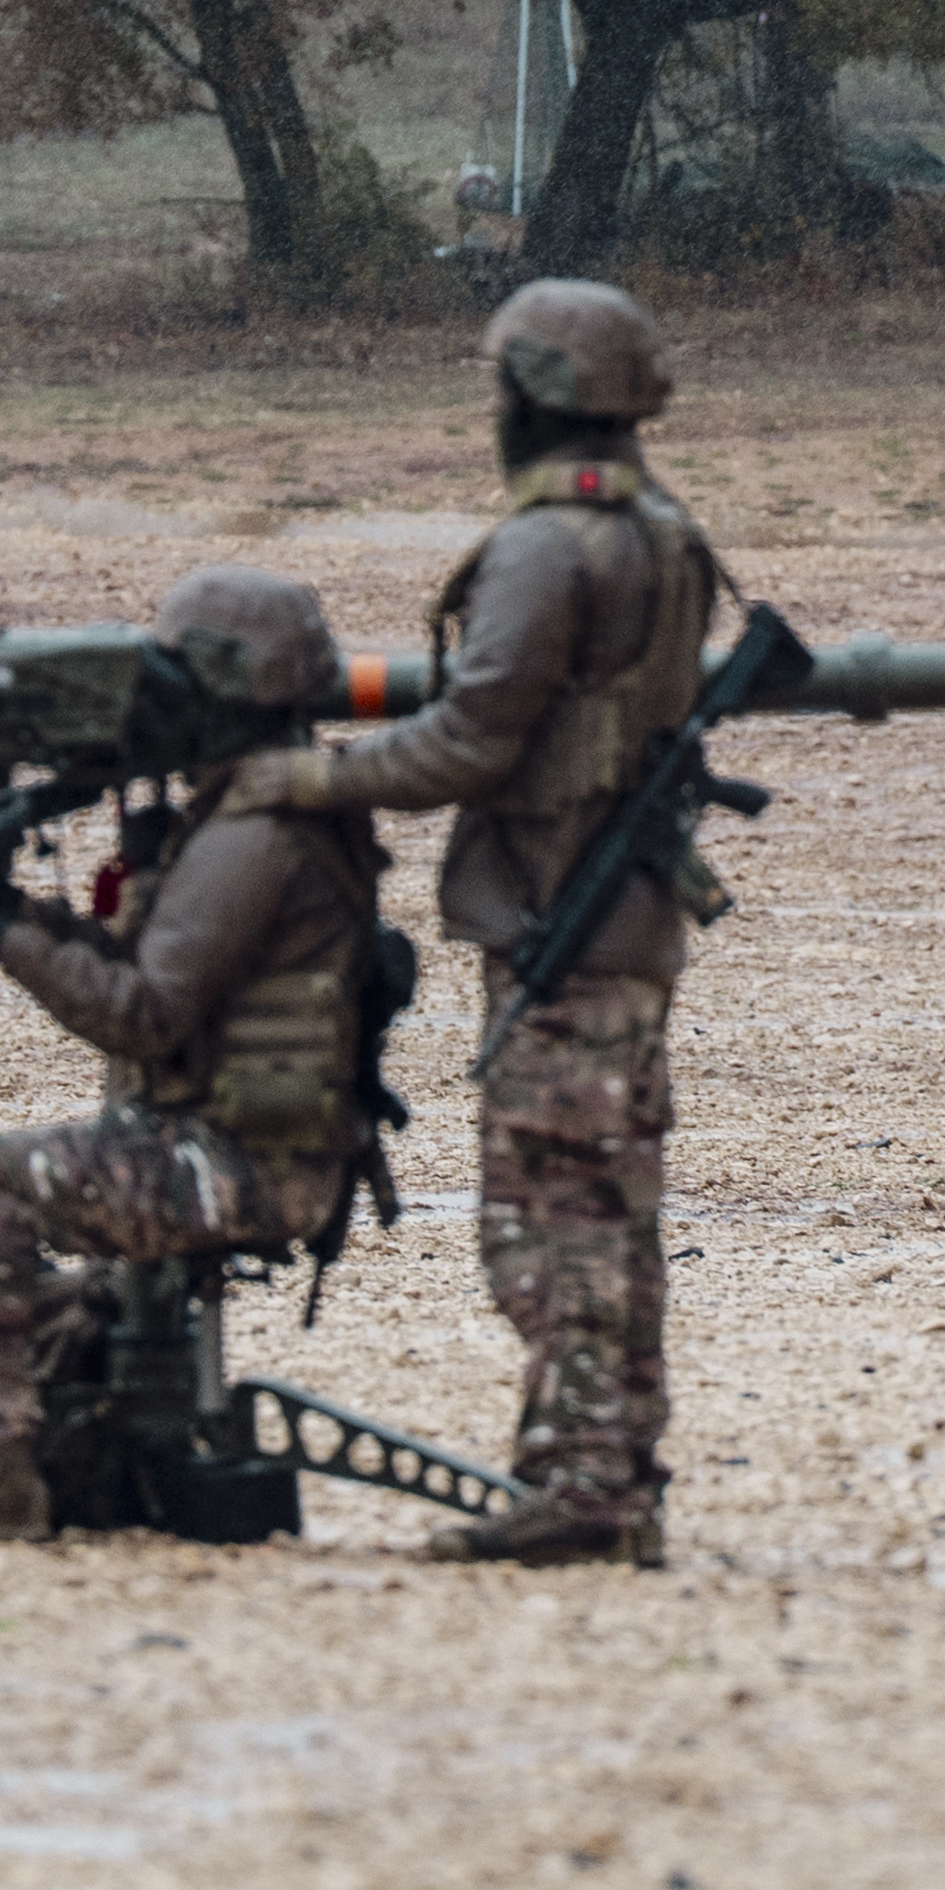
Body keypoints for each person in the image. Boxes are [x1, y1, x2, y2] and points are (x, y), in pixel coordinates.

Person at [217, 277, 707, 1566]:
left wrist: (302, 778)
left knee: (550, 1225)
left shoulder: (555, 544)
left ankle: (593, 1493)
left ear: (537, 397)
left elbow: (472, 738)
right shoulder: (657, 529)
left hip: (569, 921)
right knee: (599, 1212)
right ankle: (592, 1476)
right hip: (616, 915)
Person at [0, 565, 391, 1539]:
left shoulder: (253, 837)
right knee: (57, 1299)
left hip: (249, 1166)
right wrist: (16, 913)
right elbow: (152, 975)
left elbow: (144, 1015)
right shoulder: (242, 815)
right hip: (245, 1142)